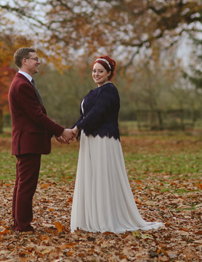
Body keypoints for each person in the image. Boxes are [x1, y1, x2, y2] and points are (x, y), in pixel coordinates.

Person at [67, 55, 163, 233]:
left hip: (104, 141)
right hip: (90, 141)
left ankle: (105, 218)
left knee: (102, 177)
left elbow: (98, 112)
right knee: (93, 177)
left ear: (109, 73)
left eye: (100, 71)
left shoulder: (109, 90)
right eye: (94, 71)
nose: (96, 74)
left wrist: (76, 129)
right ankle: (91, 218)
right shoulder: (92, 92)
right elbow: (84, 116)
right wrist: (70, 131)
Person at [8, 47, 76, 232]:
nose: (38, 62)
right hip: (28, 142)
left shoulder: (24, 83)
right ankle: (22, 225)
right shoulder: (22, 85)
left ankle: (18, 222)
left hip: (27, 142)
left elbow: (34, 116)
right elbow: (37, 116)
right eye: (35, 59)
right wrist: (61, 131)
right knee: (26, 186)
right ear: (24, 61)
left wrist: (55, 133)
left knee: (22, 184)